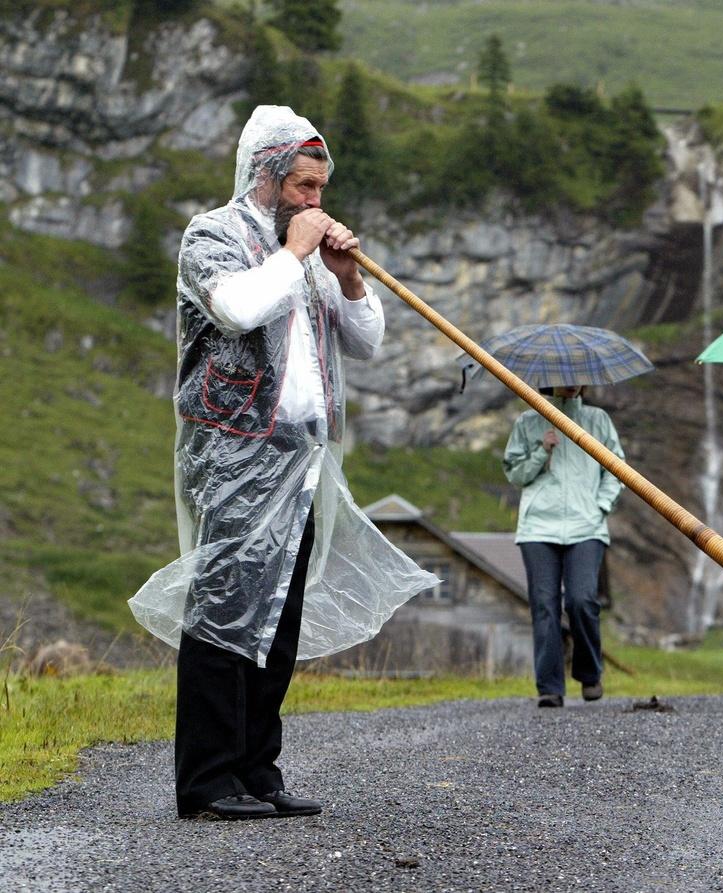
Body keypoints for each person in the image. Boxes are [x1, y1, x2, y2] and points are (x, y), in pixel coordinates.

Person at [128, 106, 439, 820]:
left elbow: (365, 342)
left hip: (301, 460)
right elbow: (236, 307)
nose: (315, 202)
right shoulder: (213, 236)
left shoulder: (304, 256)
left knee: (278, 614)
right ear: (266, 177)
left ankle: (257, 770)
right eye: (303, 186)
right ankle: (207, 780)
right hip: (235, 455)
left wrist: (349, 277)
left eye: (321, 189)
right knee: (224, 610)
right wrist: (296, 254)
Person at [503, 385, 624, 708]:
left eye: (576, 377)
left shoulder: (598, 421)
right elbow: (515, 475)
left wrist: (600, 506)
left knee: (582, 600)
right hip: (538, 528)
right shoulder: (528, 422)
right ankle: (550, 687)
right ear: (549, 381)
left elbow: (616, 471)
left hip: (586, 526)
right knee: (544, 605)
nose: (570, 382)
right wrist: (543, 450)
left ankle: (589, 673)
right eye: (562, 377)